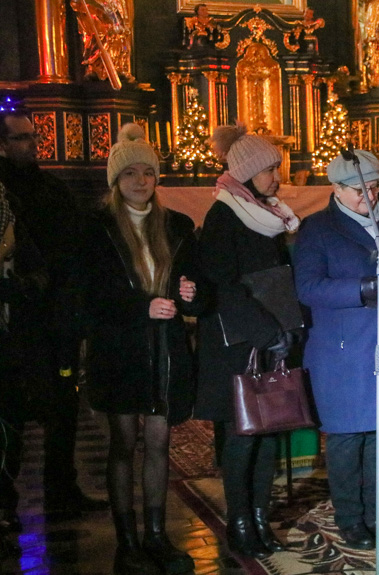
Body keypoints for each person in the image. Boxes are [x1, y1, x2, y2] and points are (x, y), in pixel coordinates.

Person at [80, 124, 201, 574]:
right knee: (123, 444)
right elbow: (90, 296)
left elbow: (199, 285)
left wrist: (192, 293)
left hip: (165, 353)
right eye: (129, 173)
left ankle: (156, 535)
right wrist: (143, 307)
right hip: (120, 352)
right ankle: (126, 540)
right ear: (116, 181)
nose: (140, 181)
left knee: (159, 442)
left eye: (147, 172)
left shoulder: (176, 225)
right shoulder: (96, 228)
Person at [294, 150, 379, 549]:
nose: (369, 196)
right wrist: (362, 289)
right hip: (343, 349)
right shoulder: (316, 229)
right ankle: (351, 518)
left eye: (375, 187)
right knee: (349, 438)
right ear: (335, 188)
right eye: (359, 190)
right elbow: (308, 288)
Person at [196, 124, 300, 559]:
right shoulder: (224, 216)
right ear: (246, 173)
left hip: (270, 338)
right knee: (243, 434)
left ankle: (260, 516)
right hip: (238, 342)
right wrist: (265, 330)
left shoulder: (268, 214)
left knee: (269, 431)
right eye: (270, 169)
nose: (277, 177)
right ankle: (239, 521)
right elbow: (224, 285)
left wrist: (284, 330)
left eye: (277, 168)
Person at [0, 109, 107, 525]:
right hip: (15, 321)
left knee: (63, 408)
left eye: (31, 137)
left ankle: (62, 490)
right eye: (19, 138)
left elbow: (75, 248)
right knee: (12, 413)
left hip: (56, 316)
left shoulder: (52, 189)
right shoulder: (5, 194)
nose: (30, 145)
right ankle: (6, 502)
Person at [0, 183, 47, 554]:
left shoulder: (10, 207)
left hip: (11, 339)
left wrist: (19, 287)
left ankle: (4, 500)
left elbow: (37, 270)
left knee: (10, 426)